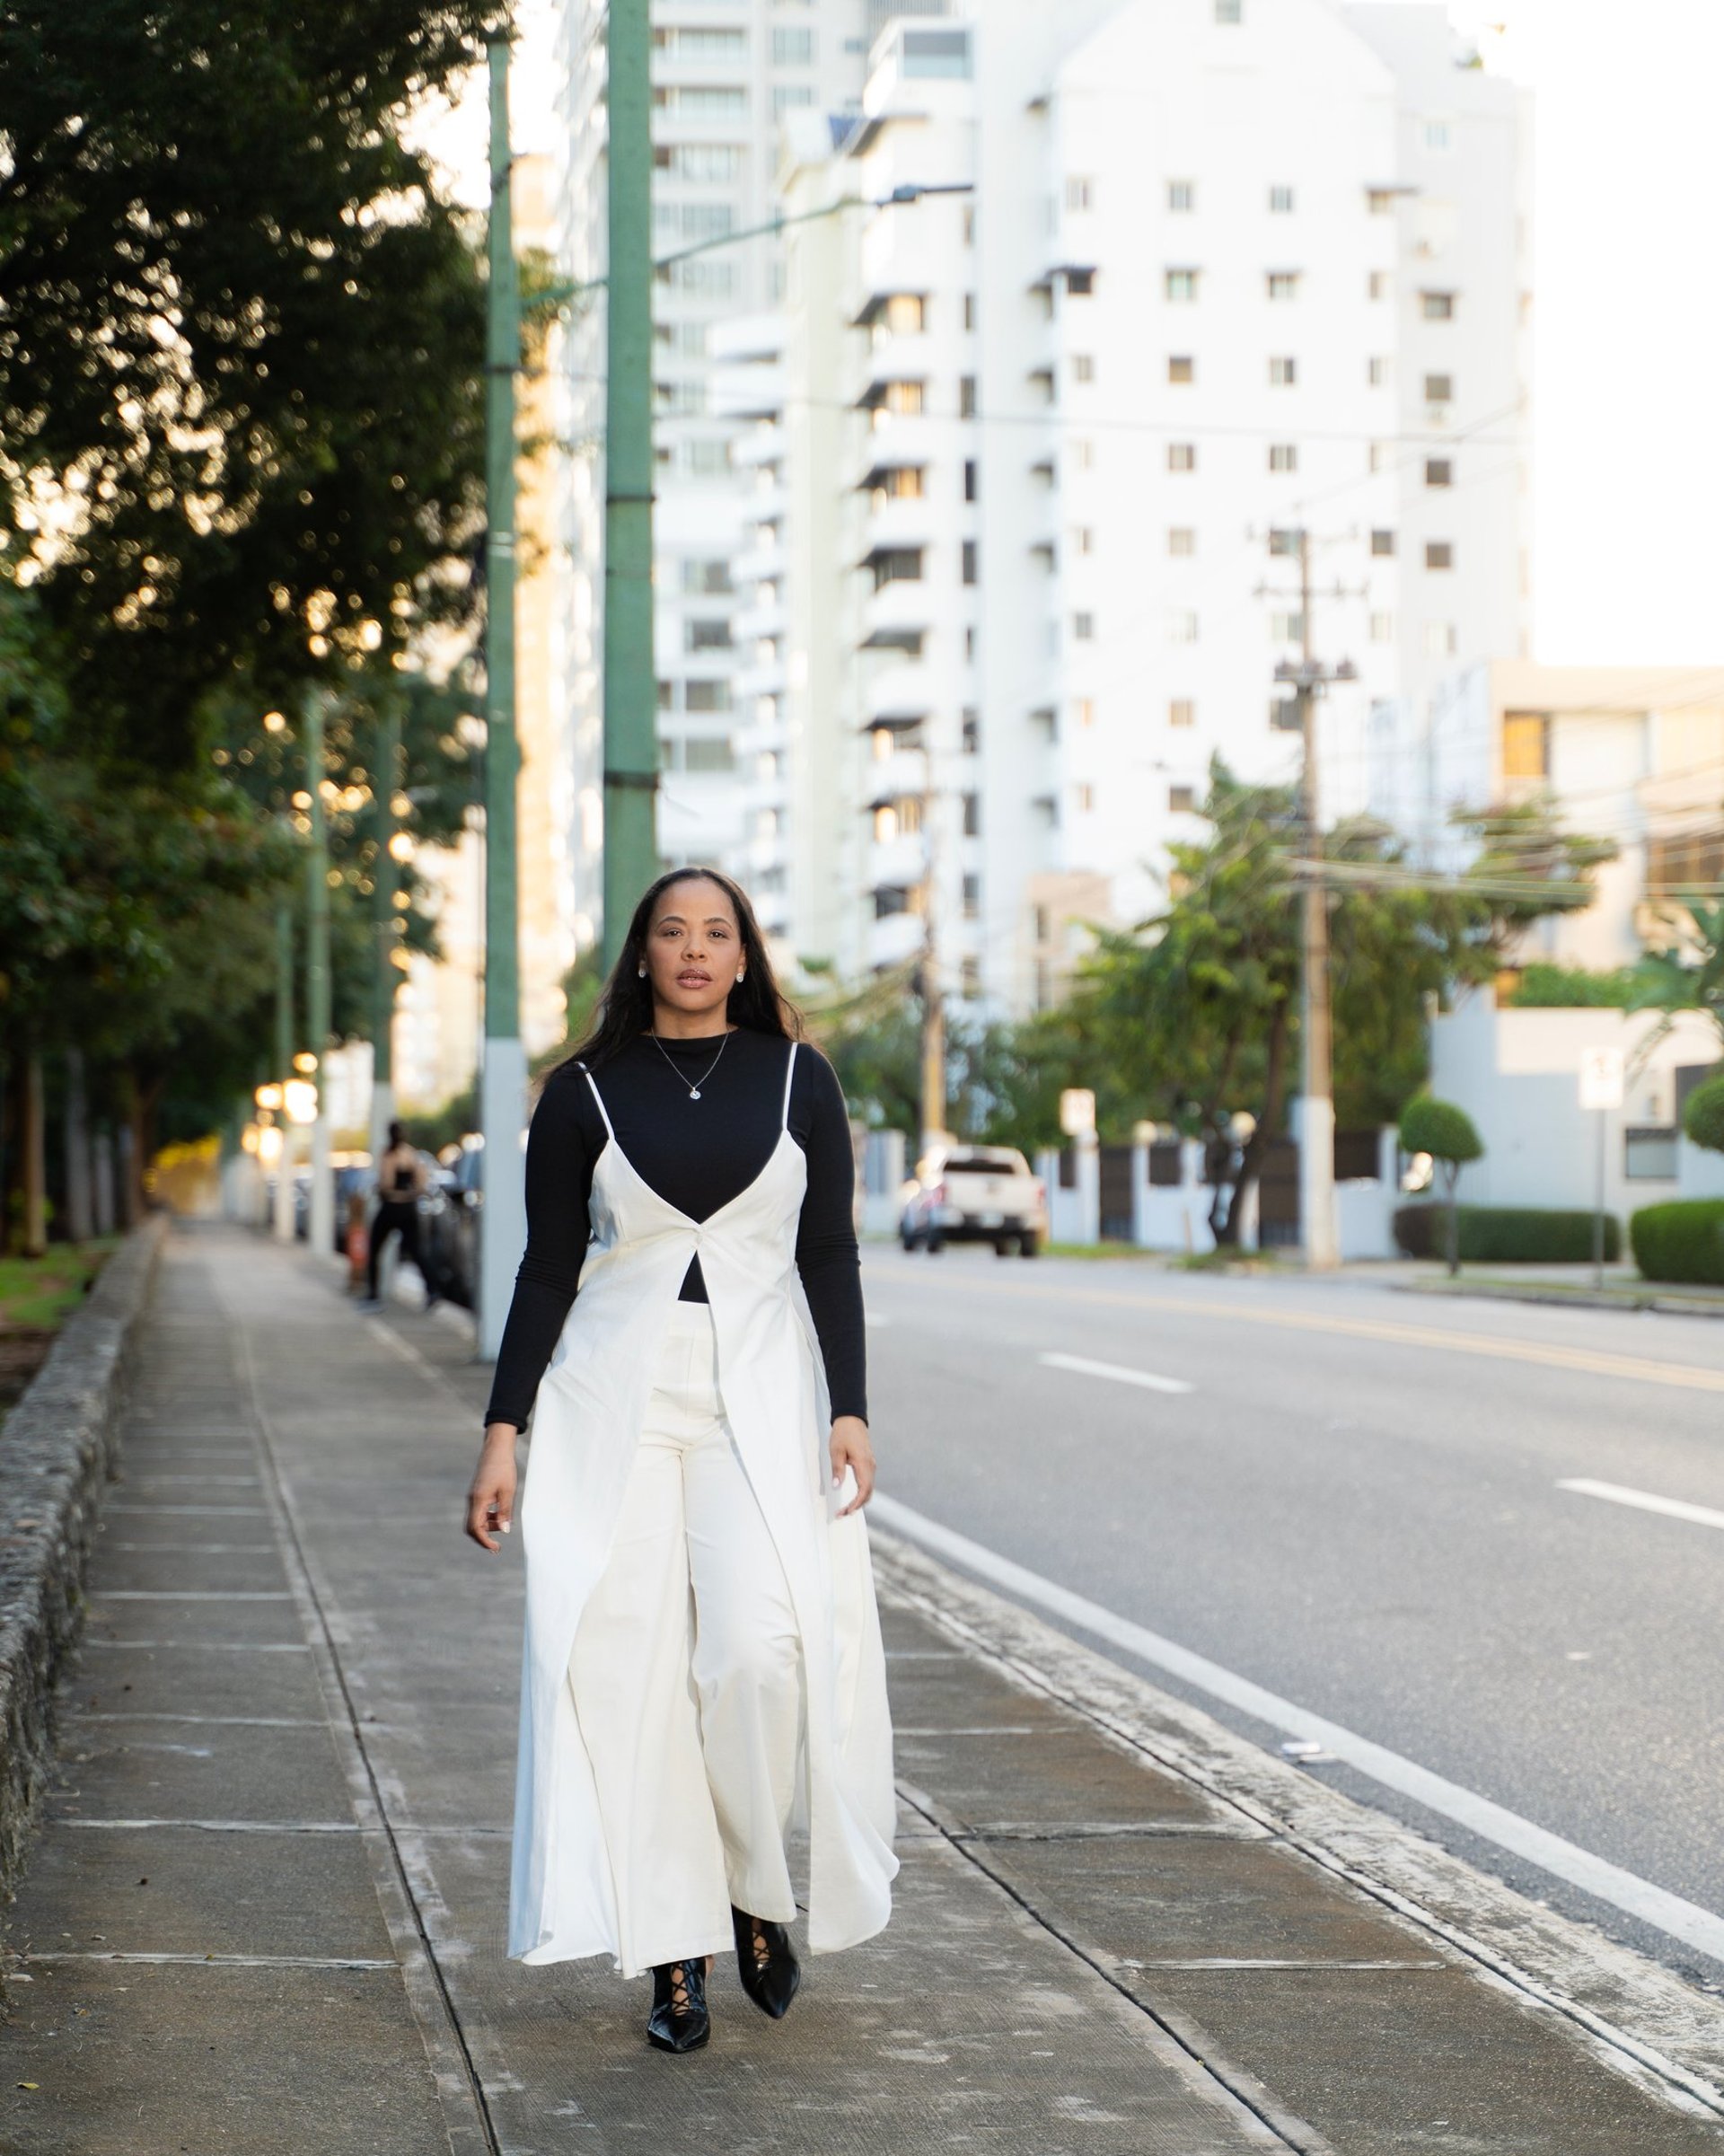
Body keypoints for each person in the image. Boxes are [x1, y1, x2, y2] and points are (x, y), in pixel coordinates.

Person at [465, 868, 895, 2056]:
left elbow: (832, 1255)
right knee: (628, 1669)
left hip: (757, 1396)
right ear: (643, 953)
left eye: (718, 933)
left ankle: (756, 1888)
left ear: (746, 955)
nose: (696, 950)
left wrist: (849, 1407)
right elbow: (548, 1268)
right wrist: (505, 1433)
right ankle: (672, 1958)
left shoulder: (803, 1080)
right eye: (673, 931)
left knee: (758, 1651)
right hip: (615, 1400)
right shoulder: (583, 1092)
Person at [363, 1122, 433, 1308]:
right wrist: (409, 1194)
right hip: (408, 1207)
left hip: (391, 1207)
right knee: (417, 1251)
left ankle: (373, 1293)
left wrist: (387, 1191)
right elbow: (422, 1184)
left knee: (375, 1249)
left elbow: (386, 1183)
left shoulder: (389, 1155)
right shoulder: (411, 1154)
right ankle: (433, 1289)